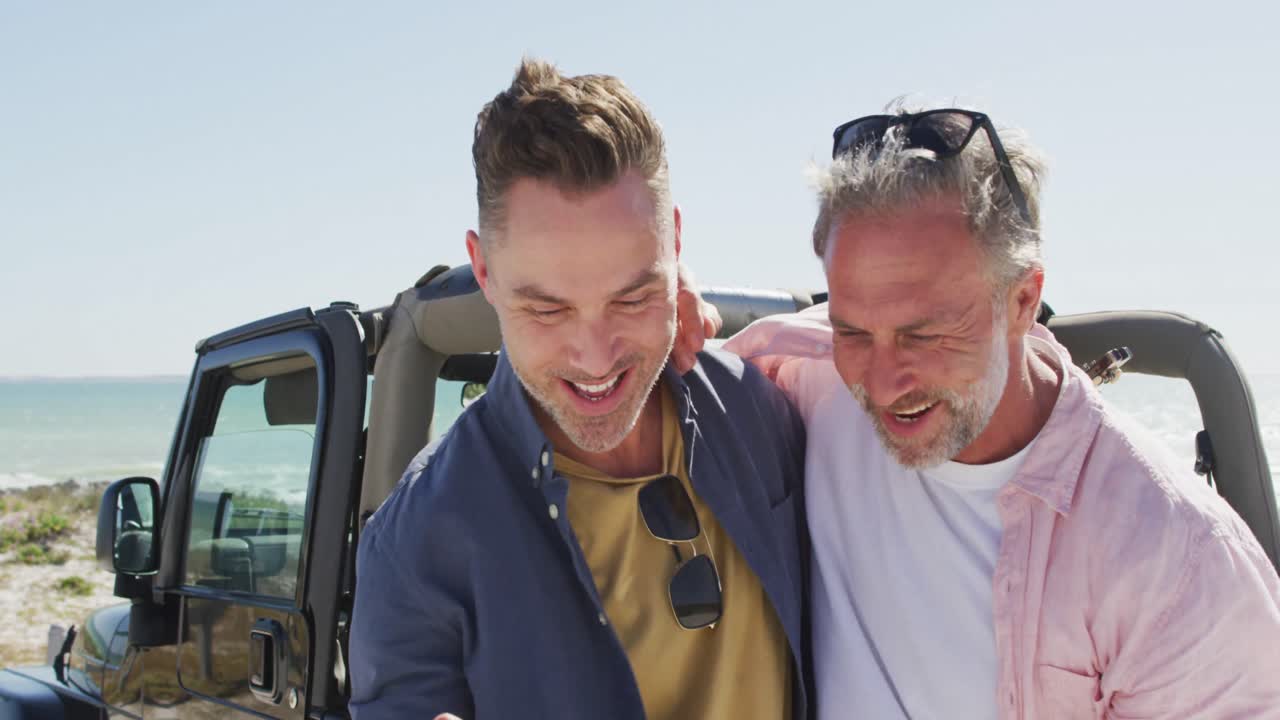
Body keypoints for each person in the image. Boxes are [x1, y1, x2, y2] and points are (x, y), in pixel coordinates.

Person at [723, 106, 1280, 717]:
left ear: (1022, 301)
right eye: (852, 331)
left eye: (925, 334)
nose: (881, 384)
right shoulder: (808, 376)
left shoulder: (1176, 562)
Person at [348, 59, 809, 720]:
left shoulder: (764, 412)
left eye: (631, 297)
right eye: (549, 310)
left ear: (673, 243)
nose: (597, 359)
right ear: (483, 268)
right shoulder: (416, 544)